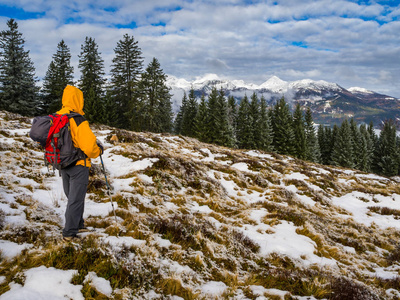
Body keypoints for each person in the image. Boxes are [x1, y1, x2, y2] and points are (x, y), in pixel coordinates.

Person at [56, 85, 103, 242]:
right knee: (76, 199)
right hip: (78, 165)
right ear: (78, 100)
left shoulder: (57, 117)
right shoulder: (77, 119)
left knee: (73, 197)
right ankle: (69, 233)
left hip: (63, 163)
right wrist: (99, 151)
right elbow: (90, 147)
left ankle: (79, 224)